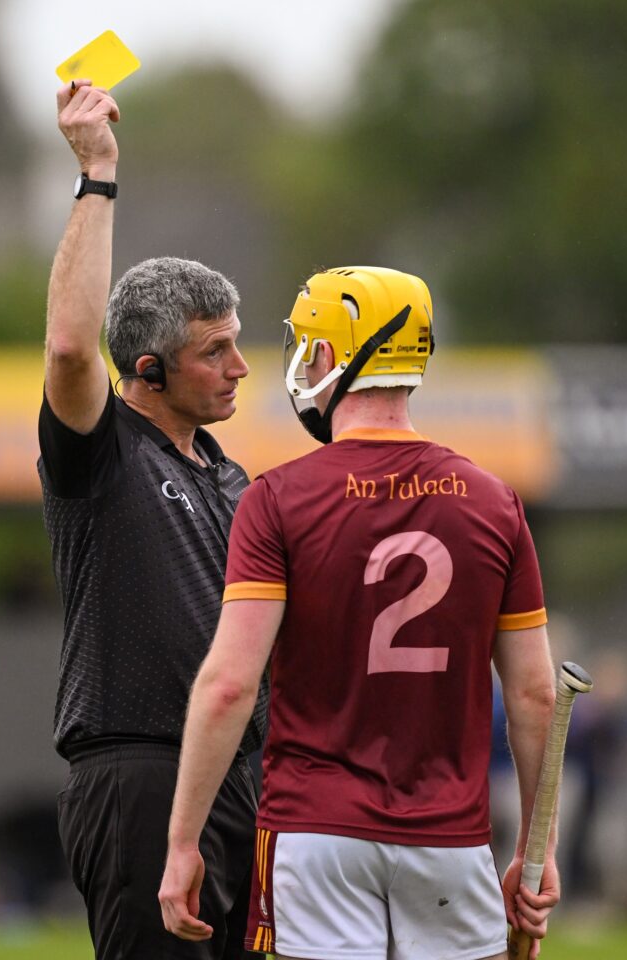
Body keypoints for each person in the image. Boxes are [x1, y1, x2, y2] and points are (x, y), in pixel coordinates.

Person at [159, 266, 560, 960]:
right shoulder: (495, 503)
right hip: (450, 839)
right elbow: (535, 694)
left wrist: (182, 841)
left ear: (328, 355)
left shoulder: (275, 500)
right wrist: (535, 847)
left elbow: (228, 685)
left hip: (314, 833)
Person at [37, 79, 268, 960]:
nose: (240, 367)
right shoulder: (102, 452)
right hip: (140, 775)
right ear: (147, 368)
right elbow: (69, 347)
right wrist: (98, 173)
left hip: (243, 776)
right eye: (215, 350)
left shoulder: (232, 475)